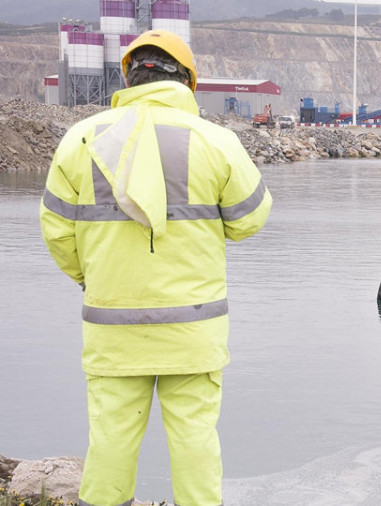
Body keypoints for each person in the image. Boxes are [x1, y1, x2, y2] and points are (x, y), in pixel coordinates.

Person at [39, 29, 272, 506]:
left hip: (112, 325)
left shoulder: (79, 139)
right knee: (195, 439)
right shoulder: (217, 141)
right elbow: (249, 220)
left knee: (110, 439)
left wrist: (92, 277)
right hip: (194, 330)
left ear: (128, 75)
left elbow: (58, 233)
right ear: (187, 79)